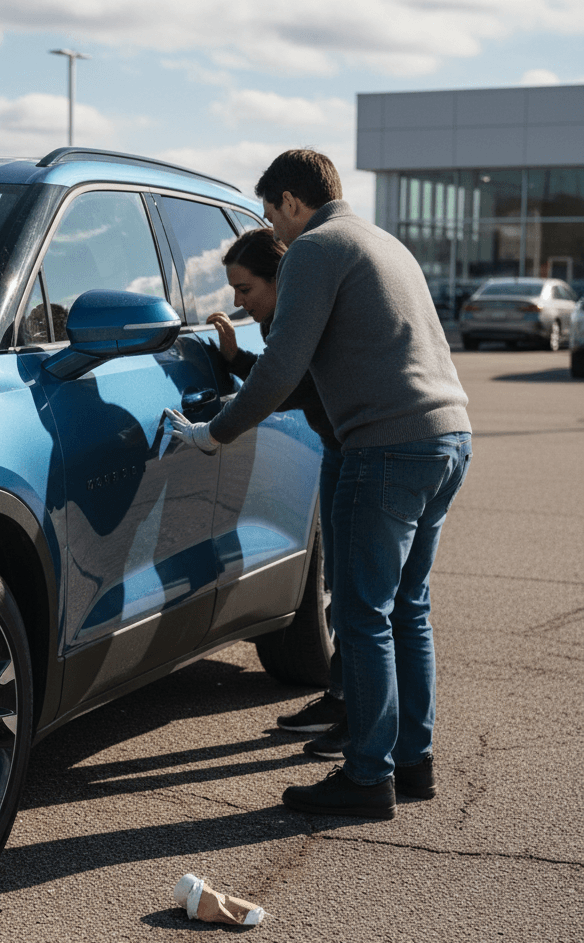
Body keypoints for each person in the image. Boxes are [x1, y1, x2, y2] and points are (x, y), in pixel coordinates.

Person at [165, 150, 472, 820]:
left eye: (274, 213)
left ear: (293, 202)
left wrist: (213, 431)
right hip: (449, 436)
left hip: (384, 447)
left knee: (362, 616)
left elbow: (280, 370)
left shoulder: (315, 248)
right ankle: (411, 762)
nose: (274, 229)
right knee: (405, 609)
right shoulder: (383, 243)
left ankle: (366, 779)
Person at [203, 228, 347, 759]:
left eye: (244, 289)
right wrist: (238, 358)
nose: (237, 302)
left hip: (366, 452)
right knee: (366, 600)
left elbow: (284, 384)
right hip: (341, 448)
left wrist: (213, 431)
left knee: (364, 603)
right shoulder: (283, 317)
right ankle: (344, 704)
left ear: (278, 280)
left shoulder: (303, 315)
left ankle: (366, 740)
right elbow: (287, 379)